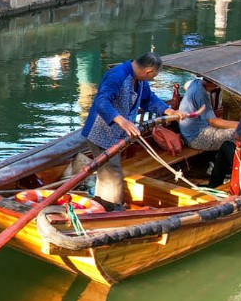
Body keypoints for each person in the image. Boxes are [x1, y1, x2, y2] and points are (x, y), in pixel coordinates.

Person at [72, 53, 179, 209]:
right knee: (113, 173)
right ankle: (114, 209)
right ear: (148, 71)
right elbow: (102, 101)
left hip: (116, 134)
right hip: (101, 132)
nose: (152, 79)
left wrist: (168, 111)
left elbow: (149, 99)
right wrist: (121, 120)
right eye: (153, 76)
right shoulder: (118, 75)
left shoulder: (140, 80)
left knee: (106, 173)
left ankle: (101, 206)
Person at [179, 77, 239, 187]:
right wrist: (239, 125)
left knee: (231, 133)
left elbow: (186, 85)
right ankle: (235, 170)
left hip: (191, 132)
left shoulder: (195, 82)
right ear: (215, 85)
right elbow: (213, 122)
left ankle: (219, 166)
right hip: (196, 137)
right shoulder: (201, 94)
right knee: (236, 134)